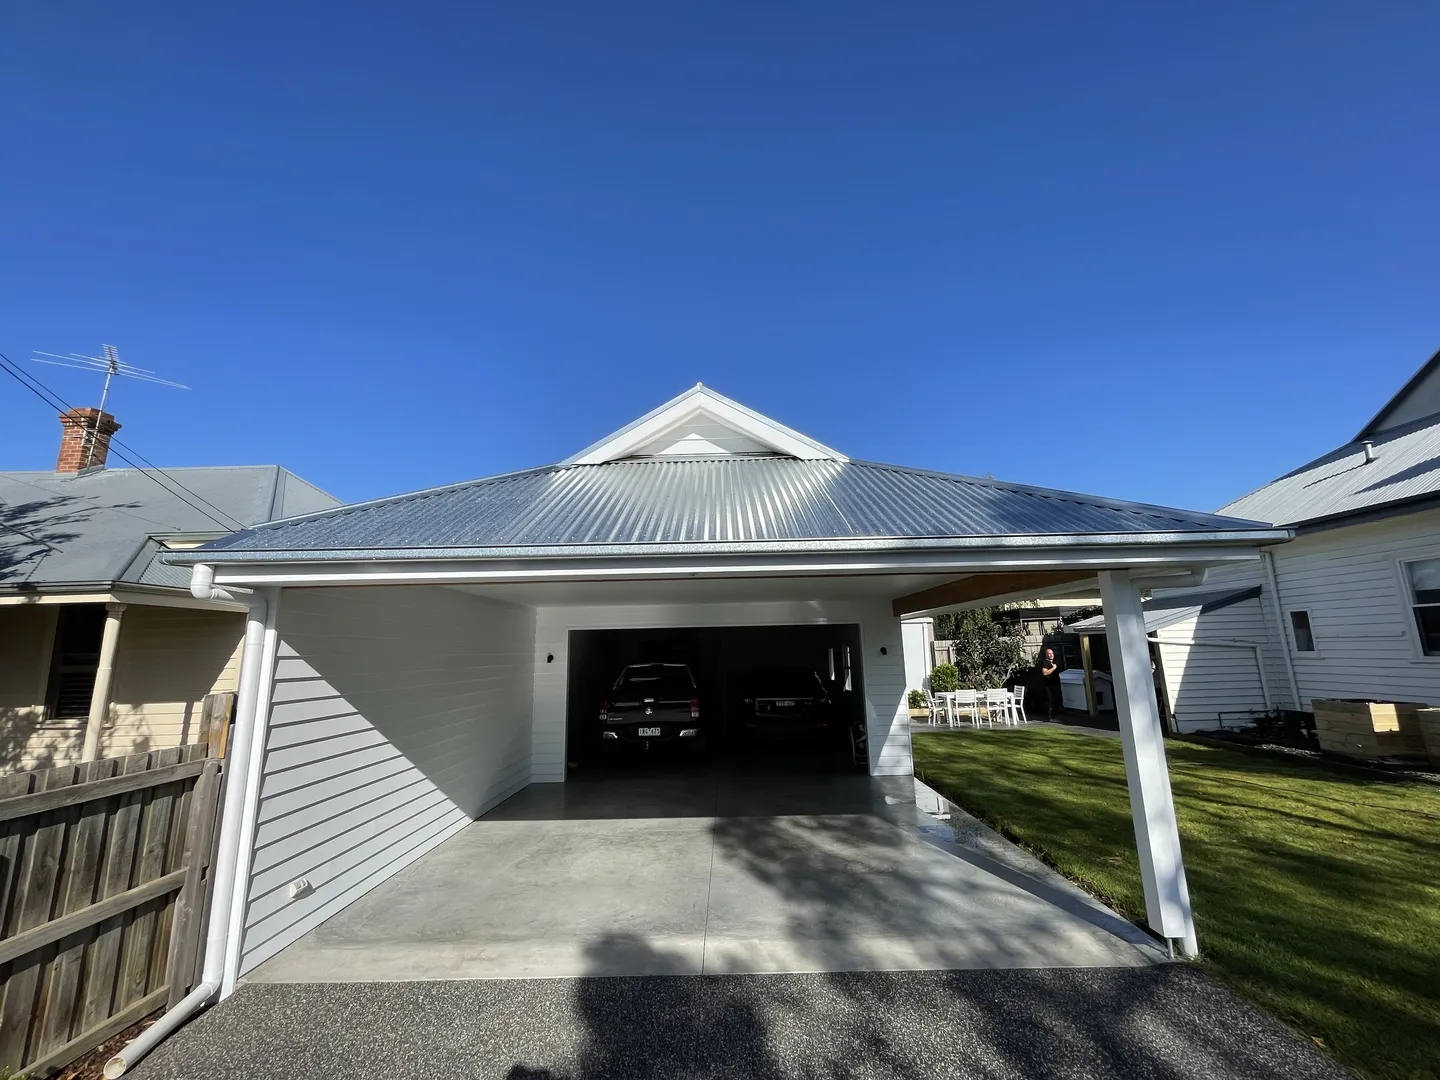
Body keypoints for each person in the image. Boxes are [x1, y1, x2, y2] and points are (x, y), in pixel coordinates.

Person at [1039, 647, 1062, 720]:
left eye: (1052, 654)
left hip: (1055, 684)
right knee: (1052, 701)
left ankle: (1055, 715)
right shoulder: (1046, 662)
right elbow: (1044, 672)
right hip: (1050, 685)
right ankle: (1051, 716)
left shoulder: (1052, 663)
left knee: (1057, 700)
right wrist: (1054, 668)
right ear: (1046, 655)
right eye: (1049, 654)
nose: (1051, 655)